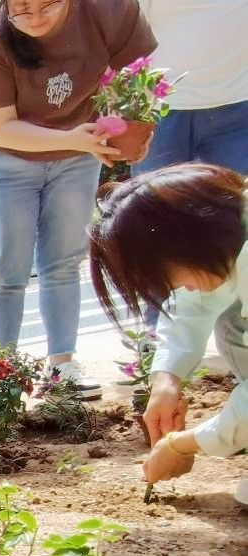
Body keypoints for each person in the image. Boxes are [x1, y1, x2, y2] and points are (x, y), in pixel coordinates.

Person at [0, 0, 157, 400]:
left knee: (63, 262)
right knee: (7, 269)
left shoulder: (108, 11)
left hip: (77, 157)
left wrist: (138, 128)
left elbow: (141, 78)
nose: (34, 18)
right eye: (21, 9)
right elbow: (2, 129)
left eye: (46, 6)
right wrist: (73, 139)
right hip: (8, 160)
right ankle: (2, 376)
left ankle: (63, 367)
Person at [87, 164, 246, 504]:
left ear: (188, 241)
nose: (181, 287)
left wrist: (182, 443)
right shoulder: (230, 233)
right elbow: (194, 305)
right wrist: (166, 381)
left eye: (169, 275)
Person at [127, 0, 248, 334]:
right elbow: (124, 30)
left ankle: (239, 330)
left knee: (238, 219)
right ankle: (156, 336)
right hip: (163, 108)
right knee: (153, 221)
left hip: (239, 105)